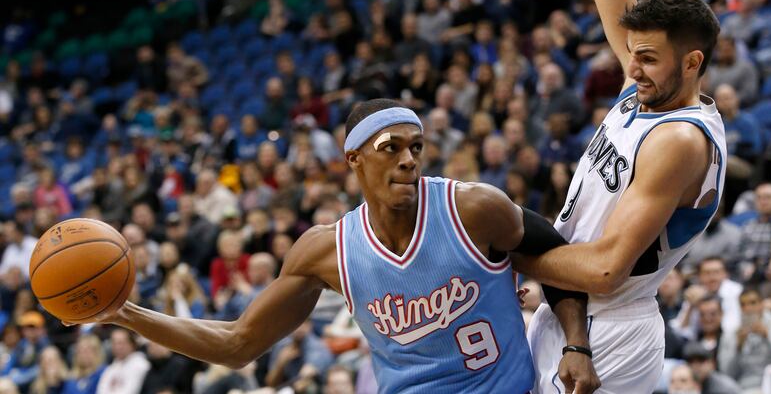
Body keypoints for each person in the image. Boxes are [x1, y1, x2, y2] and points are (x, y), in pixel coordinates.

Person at [68, 99, 600, 393]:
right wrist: (127, 314)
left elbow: (558, 262)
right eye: (389, 149)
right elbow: (237, 344)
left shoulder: (474, 208)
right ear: (353, 160)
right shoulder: (327, 251)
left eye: (416, 147)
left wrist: (577, 343)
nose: (409, 160)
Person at [515, 0, 727, 391]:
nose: (631, 68)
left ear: (692, 63)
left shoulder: (681, 140)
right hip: (567, 306)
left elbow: (607, 269)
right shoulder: (649, 89)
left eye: (646, 58)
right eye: (631, 52)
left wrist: (500, 253)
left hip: (612, 328)